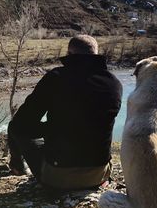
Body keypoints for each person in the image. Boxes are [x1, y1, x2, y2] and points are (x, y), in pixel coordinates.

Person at [8, 34, 123, 190]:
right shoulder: (114, 84)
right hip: (99, 174)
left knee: (14, 126)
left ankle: (17, 168)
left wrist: (53, 128)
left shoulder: (55, 78)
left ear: (69, 54)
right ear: (96, 54)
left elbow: (21, 123)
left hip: (57, 176)